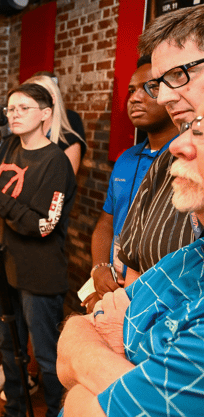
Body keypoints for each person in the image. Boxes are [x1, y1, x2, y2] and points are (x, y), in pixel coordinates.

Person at [56, 101, 204, 417]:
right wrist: (101, 269)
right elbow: (71, 341)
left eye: (201, 131)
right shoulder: (188, 259)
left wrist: (101, 356)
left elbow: (82, 409)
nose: (179, 146)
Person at [0, 83, 76, 417]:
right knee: (10, 346)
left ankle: (57, 412)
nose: (14, 114)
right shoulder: (9, 145)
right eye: (11, 108)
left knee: (45, 355)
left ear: (45, 114)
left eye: (24, 108)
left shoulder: (55, 162)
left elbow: (41, 226)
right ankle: (14, 409)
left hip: (39, 273)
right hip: (4, 264)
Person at [82, 56, 178, 312]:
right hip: (114, 288)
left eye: (151, 88)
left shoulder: (188, 156)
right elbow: (105, 223)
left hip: (161, 300)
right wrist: (99, 269)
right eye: (131, 90)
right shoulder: (126, 158)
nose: (135, 98)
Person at [116, 7, 204, 285]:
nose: (164, 97)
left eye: (179, 74)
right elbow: (132, 266)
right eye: (158, 84)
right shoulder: (165, 163)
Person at [24, 74, 87, 174]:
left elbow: (63, 186)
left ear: (52, 100)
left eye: (35, 98)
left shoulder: (68, 142)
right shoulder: (16, 139)